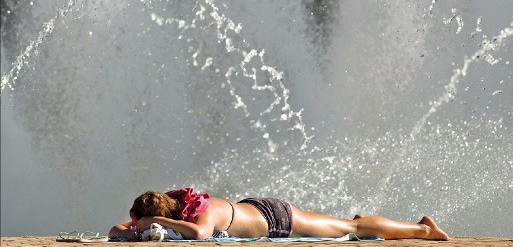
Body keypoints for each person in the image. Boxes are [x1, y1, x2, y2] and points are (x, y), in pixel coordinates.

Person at [108, 187, 450, 241]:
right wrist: (131, 228)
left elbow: (200, 235)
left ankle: (423, 229)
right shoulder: (173, 206)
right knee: (349, 224)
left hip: (277, 218)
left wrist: (159, 224)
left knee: (353, 227)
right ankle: (368, 223)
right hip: (257, 208)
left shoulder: (202, 214)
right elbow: (116, 230)